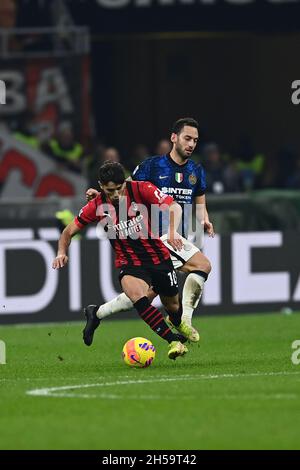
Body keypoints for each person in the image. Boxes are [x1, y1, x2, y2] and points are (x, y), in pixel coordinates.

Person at [52, 161, 197, 360]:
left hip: (158, 257)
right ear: (101, 186)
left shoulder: (142, 189)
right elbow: (68, 231)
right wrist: (61, 252)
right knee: (139, 297)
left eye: (119, 189)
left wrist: (172, 230)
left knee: (172, 306)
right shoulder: (96, 206)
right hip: (129, 263)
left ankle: (176, 321)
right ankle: (173, 341)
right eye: (110, 190)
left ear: (125, 183)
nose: (115, 194)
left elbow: (174, 207)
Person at [86, 117, 214, 340]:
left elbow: (199, 200)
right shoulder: (151, 166)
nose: (191, 144)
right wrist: (101, 196)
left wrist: (205, 219)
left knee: (144, 295)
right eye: (187, 138)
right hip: (155, 236)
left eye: (195, 140)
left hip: (176, 239)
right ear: (174, 138)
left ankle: (96, 313)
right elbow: (123, 187)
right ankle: (184, 321)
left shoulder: (197, 170)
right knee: (202, 265)